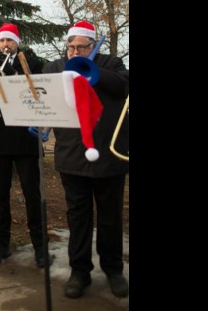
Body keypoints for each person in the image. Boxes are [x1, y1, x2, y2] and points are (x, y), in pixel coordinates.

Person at [42, 21, 130, 299]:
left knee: (110, 217)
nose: (75, 51)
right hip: (71, 155)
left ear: (93, 46)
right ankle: (79, 271)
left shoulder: (112, 63)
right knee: (77, 217)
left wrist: (92, 70)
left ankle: (113, 269)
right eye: (71, 47)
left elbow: (123, 86)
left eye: (81, 47)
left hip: (108, 156)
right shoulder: (55, 67)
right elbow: (44, 96)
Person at [0, 23, 54, 269]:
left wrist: (17, 71)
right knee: (0, 192)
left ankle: (40, 247)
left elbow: (40, 88)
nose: (5, 45)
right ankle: (1, 243)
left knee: (32, 192)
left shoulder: (30, 62)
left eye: (9, 41)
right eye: (1, 41)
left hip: (24, 136)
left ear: (16, 42)